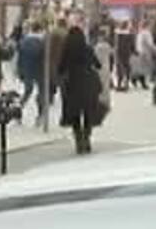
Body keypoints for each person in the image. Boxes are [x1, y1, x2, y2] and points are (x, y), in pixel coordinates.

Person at [58, 10, 106, 154]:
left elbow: (61, 67)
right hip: (88, 83)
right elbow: (98, 65)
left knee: (74, 113)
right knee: (88, 112)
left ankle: (78, 139)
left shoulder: (67, 49)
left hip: (73, 84)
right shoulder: (87, 48)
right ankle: (87, 137)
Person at [16, 19, 47, 126]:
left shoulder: (23, 41)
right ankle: (40, 116)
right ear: (40, 30)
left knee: (27, 91)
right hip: (40, 70)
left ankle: (17, 111)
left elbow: (19, 58)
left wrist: (19, 71)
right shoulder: (43, 42)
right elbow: (45, 59)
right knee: (42, 93)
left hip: (27, 69)